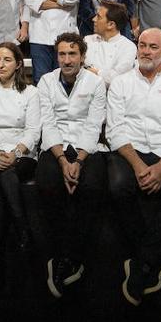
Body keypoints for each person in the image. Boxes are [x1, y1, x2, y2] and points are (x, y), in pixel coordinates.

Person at [105, 28, 161, 305]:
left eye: (153, 47)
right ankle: (149, 261)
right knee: (119, 186)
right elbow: (115, 130)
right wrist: (140, 166)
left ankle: (142, 261)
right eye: (142, 45)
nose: (145, 51)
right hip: (130, 150)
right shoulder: (120, 83)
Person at [36, 32, 108, 298]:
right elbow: (48, 122)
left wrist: (77, 160)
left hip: (86, 147)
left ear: (82, 56)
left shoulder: (96, 82)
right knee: (47, 185)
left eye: (72, 54)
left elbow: (93, 124)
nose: (67, 60)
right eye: (62, 54)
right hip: (55, 147)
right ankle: (59, 255)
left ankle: (75, 256)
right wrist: (62, 160)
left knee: (91, 188)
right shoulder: (45, 81)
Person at [0, 42, 41, 274]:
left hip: (22, 152)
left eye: (7, 60)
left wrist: (15, 153)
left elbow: (33, 131)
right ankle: (24, 232)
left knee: (1, 181)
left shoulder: (31, 93)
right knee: (5, 176)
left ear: (18, 64)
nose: (1, 64)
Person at [83, 1, 136, 85]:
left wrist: (92, 71)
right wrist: (104, 74)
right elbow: (79, 71)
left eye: (98, 17)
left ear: (111, 24)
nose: (93, 19)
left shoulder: (128, 47)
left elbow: (116, 79)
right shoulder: (87, 40)